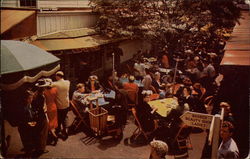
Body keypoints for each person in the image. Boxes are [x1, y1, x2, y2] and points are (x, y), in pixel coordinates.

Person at [52, 71, 70, 140]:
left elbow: (49, 85)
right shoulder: (68, 82)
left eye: (56, 76)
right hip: (66, 103)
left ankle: (58, 130)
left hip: (59, 105)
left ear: (57, 76)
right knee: (65, 117)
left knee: (59, 118)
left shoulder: (55, 84)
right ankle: (66, 130)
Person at [43, 78, 58, 146]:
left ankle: (54, 136)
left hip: (48, 107)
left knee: (49, 123)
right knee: (53, 122)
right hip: (54, 106)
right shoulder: (55, 89)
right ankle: (53, 134)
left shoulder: (44, 92)